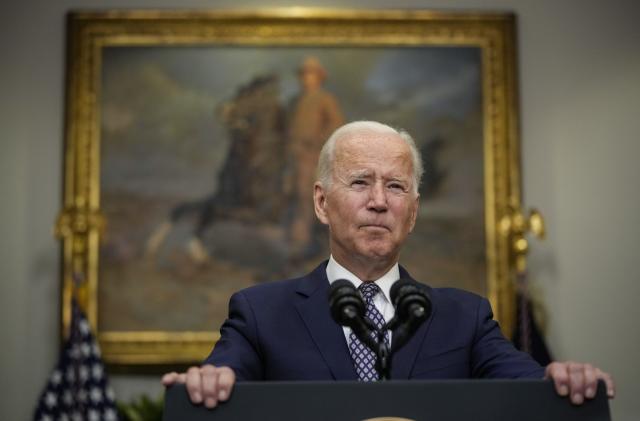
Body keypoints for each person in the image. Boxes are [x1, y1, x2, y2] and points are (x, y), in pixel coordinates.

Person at [162, 121, 615, 409]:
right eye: (360, 182)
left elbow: (529, 388)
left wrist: (560, 379)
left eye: (396, 187)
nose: (378, 202)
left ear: (413, 213)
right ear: (321, 203)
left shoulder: (466, 318)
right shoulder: (261, 313)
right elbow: (223, 376)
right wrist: (208, 381)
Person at [286, 56, 344, 259]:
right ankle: (293, 239)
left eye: (310, 74)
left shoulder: (325, 99)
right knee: (291, 194)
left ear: (318, 78)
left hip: (312, 156)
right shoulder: (294, 101)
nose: (306, 78)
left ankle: (302, 243)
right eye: (303, 74)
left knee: (307, 196)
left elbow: (336, 126)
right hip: (292, 156)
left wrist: (316, 141)